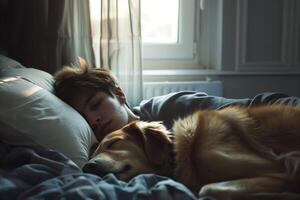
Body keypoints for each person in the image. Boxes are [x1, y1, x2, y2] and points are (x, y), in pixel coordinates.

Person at [54, 58, 139, 142]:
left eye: (96, 104)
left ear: (119, 94)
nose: (93, 120)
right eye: (84, 118)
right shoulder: (100, 153)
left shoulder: (151, 111)